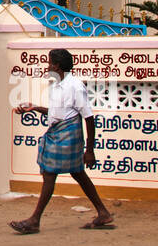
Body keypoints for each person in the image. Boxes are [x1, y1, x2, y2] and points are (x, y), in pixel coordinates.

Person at [9, 48, 115, 233]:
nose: (47, 66)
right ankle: (102, 212)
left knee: (50, 173)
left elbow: (88, 118)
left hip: (67, 134)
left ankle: (34, 220)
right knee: (78, 173)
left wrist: (89, 150)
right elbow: (57, 113)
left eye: (49, 63)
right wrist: (33, 108)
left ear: (57, 66)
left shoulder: (75, 86)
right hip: (59, 132)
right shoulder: (58, 85)